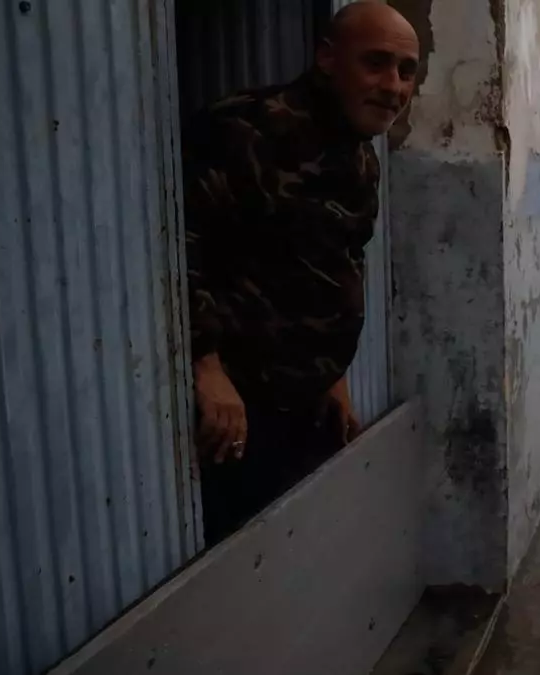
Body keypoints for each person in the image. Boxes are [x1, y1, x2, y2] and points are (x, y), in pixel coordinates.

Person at [183, 1, 420, 543]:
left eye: (407, 71)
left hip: (308, 409)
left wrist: (333, 379)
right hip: (240, 412)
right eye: (376, 63)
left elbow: (335, 266)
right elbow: (183, 247)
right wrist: (205, 366)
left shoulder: (359, 158)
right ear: (327, 59)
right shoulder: (246, 130)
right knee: (244, 560)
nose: (393, 86)